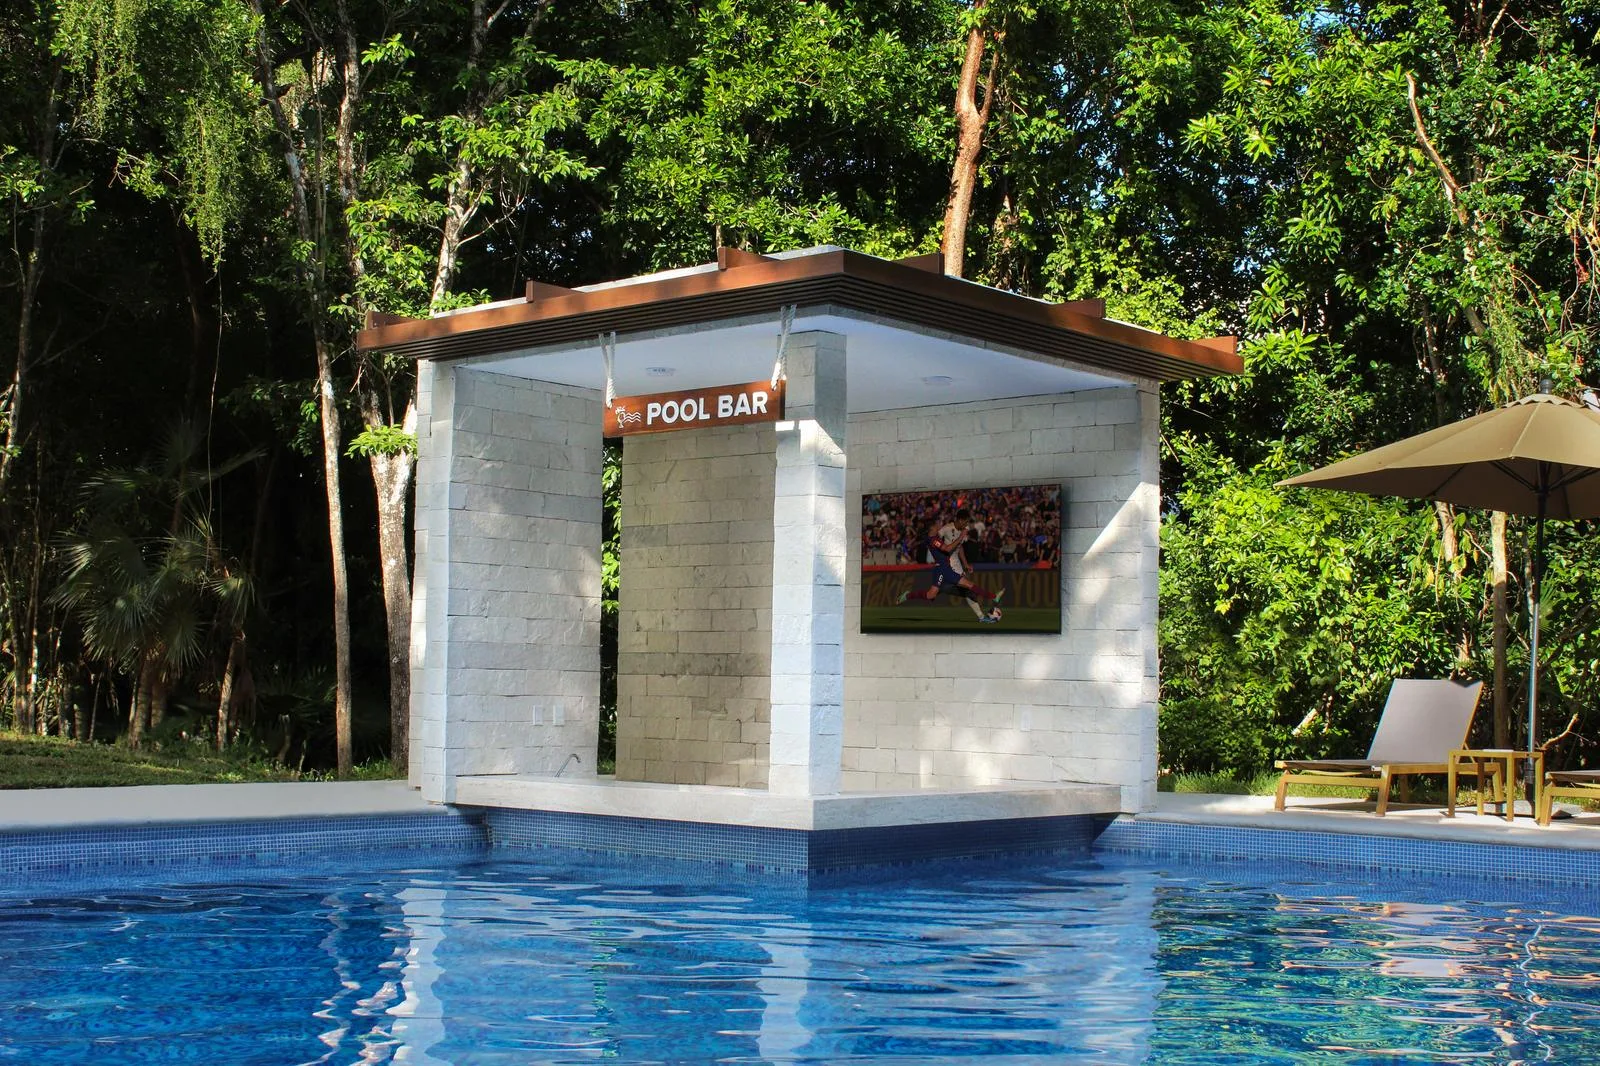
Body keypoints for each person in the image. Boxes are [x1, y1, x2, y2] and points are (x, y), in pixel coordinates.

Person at [895, 508, 1004, 622]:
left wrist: (965, 562)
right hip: (942, 568)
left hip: (946, 568)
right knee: (937, 593)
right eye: (936, 525)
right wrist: (961, 537)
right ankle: (992, 598)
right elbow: (947, 548)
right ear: (932, 528)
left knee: (962, 587)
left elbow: (956, 547)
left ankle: (991, 601)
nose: (938, 526)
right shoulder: (934, 539)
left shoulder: (934, 538)